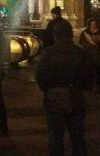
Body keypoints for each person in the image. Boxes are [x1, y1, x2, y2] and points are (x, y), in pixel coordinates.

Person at [36, 20, 94, 156]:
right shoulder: (80, 52)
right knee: (78, 137)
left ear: (55, 35)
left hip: (55, 97)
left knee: (55, 138)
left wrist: (48, 88)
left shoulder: (49, 53)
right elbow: (89, 76)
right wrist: (79, 87)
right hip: (76, 96)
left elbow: (41, 75)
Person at [79, 18, 100, 93]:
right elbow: (81, 42)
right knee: (89, 70)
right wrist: (89, 44)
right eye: (92, 24)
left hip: (98, 54)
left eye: (94, 24)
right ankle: (89, 86)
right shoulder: (85, 32)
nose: (93, 26)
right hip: (89, 54)